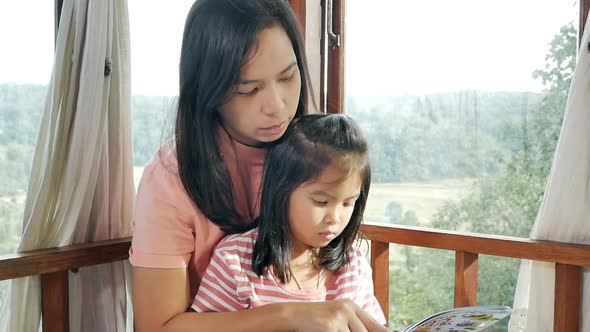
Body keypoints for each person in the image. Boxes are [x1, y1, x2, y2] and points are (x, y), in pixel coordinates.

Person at [129, 0, 390, 331]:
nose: (276, 105)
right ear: (208, 91)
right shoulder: (170, 177)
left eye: (288, 76)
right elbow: (155, 328)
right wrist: (287, 314)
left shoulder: (309, 153)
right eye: (249, 90)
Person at [191, 114, 386, 327]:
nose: (335, 218)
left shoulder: (353, 264)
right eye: (321, 202)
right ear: (280, 192)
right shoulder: (235, 260)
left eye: (348, 203)